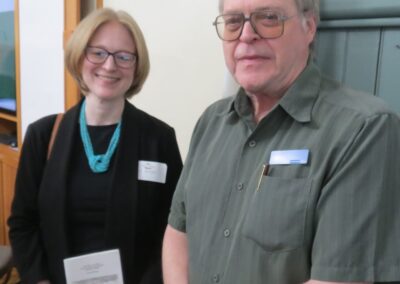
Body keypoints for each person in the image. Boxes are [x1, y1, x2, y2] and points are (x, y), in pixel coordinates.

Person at [162, 0, 400, 283]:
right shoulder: (211, 122)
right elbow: (178, 233)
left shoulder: (362, 129)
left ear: (308, 27)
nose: (246, 34)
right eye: (234, 21)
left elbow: (337, 279)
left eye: (269, 18)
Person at [8, 8, 182, 284]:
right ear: (79, 58)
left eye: (124, 56)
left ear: (136, 67)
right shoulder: (42, 137)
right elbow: (22, 224)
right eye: (98, 53)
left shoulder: (158, 139)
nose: (110, 66)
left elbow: (173, 229)